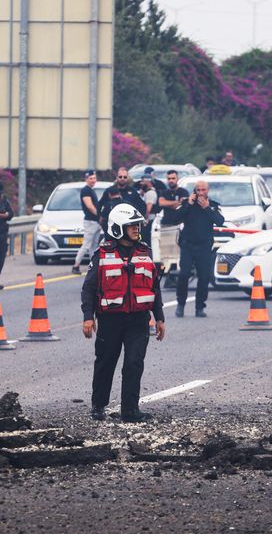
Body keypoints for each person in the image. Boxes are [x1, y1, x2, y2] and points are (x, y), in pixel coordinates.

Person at [81, 205, 165, 422]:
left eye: (138, 225)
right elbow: (88, 288)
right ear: (118, 228)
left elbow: (154, 287)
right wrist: (88, 317)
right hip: (110, 320)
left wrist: (160, 318)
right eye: (132, 226)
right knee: (105, 362)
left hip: (139, 319)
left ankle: (130, 410)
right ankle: (98, 406)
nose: (137, 229)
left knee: (134, 363)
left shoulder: (144, 252)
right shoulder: (102, 254)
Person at [172, 180, 225, 318]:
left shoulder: (212, 205)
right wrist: (188, 204)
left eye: (203, 190)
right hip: (188, 245)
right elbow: (176, 217)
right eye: (198, 190)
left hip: (204, 246)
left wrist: (207, 208)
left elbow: (220, 221)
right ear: (194, 191)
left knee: (204, 277)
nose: (201, 193)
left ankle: (200, 307)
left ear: (208, 191)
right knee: (184, 274)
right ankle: (180, 304)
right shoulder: (187, 203)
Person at [98, 167, 144, 237]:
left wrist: (139, 222)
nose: (122, 178)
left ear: (127, 178)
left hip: (128, 226)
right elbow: (100, 205)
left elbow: (142, 206)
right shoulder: (110, 190)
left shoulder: (133, 191)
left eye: (125, 177)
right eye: (120, 177)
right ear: (117, 177)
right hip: (112, 227)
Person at [72, 169, 102, 275]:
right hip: (91, 221)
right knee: (86, 245)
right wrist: (99, 216)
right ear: (86, 179)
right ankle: (76, 266)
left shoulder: (91, 190)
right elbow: (89, 206)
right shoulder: (86, 190)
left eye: (94, 178)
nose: (93, 180)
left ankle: (94, 266)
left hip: (96, 222)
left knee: (94, 245)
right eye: (91, 178)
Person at [138, 173, 158, 243]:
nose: (141, 183)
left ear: (148, 182)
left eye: (143, 181)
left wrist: (145, 221)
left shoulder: (150, 193)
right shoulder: (147, 192)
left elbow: (148, 209)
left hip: (149, 220)